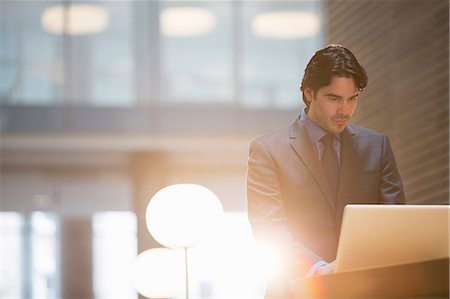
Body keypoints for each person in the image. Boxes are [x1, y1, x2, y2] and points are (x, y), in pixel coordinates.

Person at [246, 44, 405, 298]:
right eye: (334, 98)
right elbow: (270, 229)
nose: (345, 110)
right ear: (309, 94)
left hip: (366, 291)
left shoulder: (377, 146)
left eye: (352, 99)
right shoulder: (267, 151)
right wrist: (318, 270)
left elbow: (394, 223)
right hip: (295, 290)